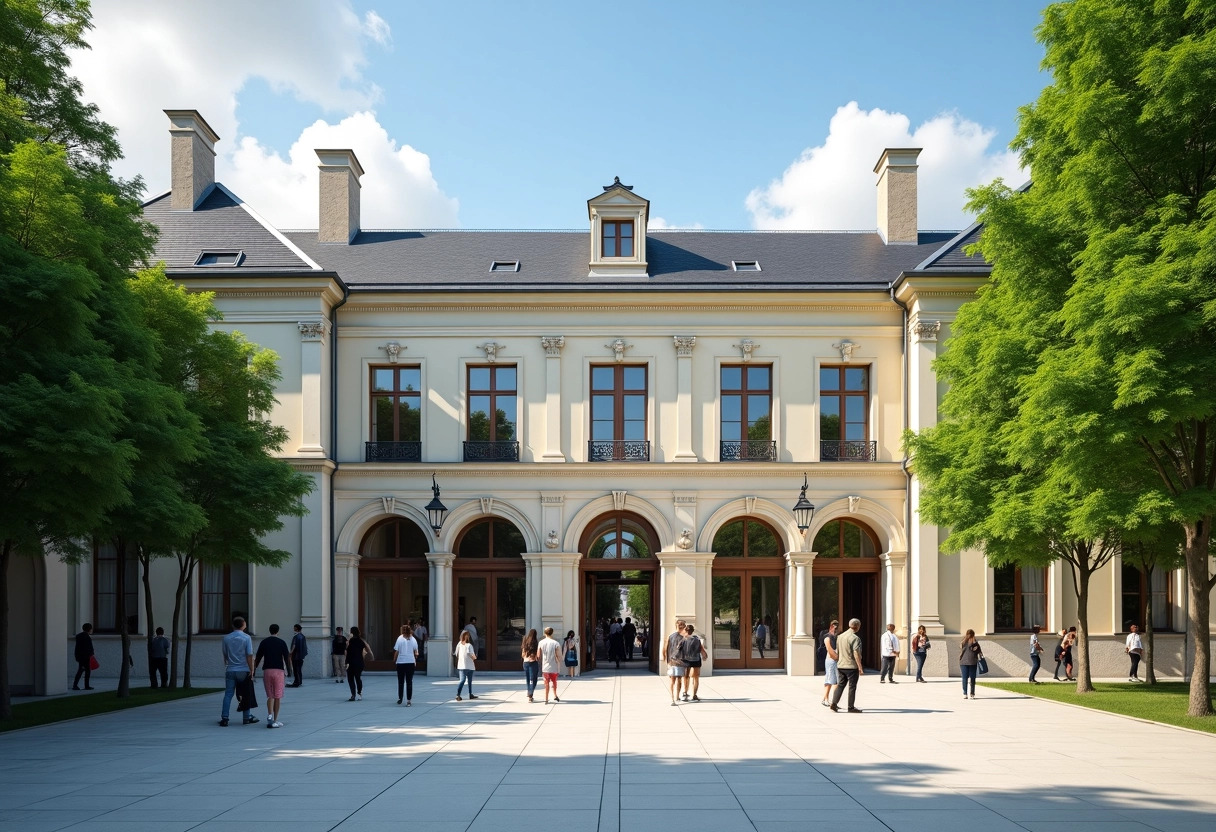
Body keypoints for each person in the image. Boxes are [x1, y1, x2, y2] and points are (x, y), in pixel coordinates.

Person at [219, 616, 258, 726]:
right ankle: (246, 717)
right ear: (243, 625)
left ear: (233, 625)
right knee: (246, 694)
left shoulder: (226, 638)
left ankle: (225, 717)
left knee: (228, 694)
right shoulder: (246, 638)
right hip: (243, 669)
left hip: (231, 669)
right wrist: (251, 670)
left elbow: (225, 654)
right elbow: (249, 655)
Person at [254, 623, 291, 728]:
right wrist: (289, 670)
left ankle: (269, 714)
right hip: (278, 671)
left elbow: (258, 657)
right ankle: (275, 719)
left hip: (267, 670)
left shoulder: (264, 642)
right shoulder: (282, 642)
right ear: (278, 631)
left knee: (270, 695)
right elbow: (287, 657)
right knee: (278, 696)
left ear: (269, 630)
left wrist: (254, 670)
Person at [829, 618, 864, 713]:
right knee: (852, 686)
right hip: (851, 666)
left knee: (840, 685)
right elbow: (856, 653)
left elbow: (838, 651)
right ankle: (851, 707)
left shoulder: (840, 636)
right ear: (857, 626)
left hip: (841, 665)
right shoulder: (855, 638)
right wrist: (860, 667)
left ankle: (834, 703)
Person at [393, 624, 419, 705]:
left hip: (401, 662)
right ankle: (408, 700)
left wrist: (394, 660)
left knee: (400, 681)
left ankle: (400, 698)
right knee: (409, 682)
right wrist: (415, 658)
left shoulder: (399, 638)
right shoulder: (413, 639)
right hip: (410, 662)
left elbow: (396, 651)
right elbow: (416, 651)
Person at [663, 619, 687, 706]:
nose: (683, 626)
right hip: (673, 661)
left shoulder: (684, 637)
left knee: (678, 680)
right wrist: (666, 659)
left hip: (679, 662)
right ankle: (673, 697)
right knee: (673, 680)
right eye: (681, 624)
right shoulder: (672, 636)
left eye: (683, 624)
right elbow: (665, 648)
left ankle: (676, 696)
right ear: (677, 625)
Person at [681, 623, 708, 702]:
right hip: (696, 660)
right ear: (693, 631)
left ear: (686, 630)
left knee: (686, 677)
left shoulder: (683, 639)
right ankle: (694, 695)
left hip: (686, 660)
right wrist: (705, 655)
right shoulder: (697, 639)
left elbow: (679, 649)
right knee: (696, 678)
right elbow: (701, 649)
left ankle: (685, 692)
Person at [345, 626, 371, 701]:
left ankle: (353, 695)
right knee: (358, 678)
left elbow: (346, 651)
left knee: (350, 679)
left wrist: (345, 662)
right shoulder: (361, 641)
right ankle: (359, 693)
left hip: (350, 662)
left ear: (351, 632)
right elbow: (367, 649)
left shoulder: (349, 641)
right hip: (359, 662)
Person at [538, 626, 563, 704]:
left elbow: (538, 655)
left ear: (544, 633)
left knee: (546, 683)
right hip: (554, 666)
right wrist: (560, 660)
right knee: (554, 681)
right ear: (552, 633)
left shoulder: (541, 642)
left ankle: (546, 698)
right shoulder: (555, 643)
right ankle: (555, 695)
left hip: (545, 666)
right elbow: (559, 655)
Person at [959, 628, 983, 699]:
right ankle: (972, 694)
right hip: (973, 662)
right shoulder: (975, 643)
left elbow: (960, 649)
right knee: (972, 678)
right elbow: (979, 651)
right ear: (973, 635)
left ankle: (965, 693)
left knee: (964, 678)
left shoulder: (963, 642)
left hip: (963, 662)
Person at [454, 630, 477, 701]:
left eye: (468, 635)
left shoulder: (468, 645)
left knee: (469, 681)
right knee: (462, 680)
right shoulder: (460, 644)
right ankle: (458, 695)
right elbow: (471, 655)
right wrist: (474, 657)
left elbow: (457, 654)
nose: (467, 636)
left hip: (468, 666)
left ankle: (470, 694)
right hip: (463, 666)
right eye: (466, 635)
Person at [821, 620, 839, 706]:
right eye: (834, 627)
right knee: (830, 681)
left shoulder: (835, 637)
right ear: (831, 627)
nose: (836, 629)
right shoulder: (827, 637)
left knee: (834, 681)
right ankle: (826, 699)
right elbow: (829, 650)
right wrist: (836, 658)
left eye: (837, 627)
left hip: (833, 660)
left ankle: (828, 700)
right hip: (831, 660)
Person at [73, 623, 95, 690]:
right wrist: (91, 654)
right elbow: (89, 648)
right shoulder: (87, 637)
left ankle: (75, 685)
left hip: (80, 657)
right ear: (89, 629)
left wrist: (77, 656)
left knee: (80, 670)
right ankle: (86, 686)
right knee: (86, 671)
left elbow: (77, 648)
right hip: (86, 657)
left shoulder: (79, 636)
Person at [521, 629, 539, 702]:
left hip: (525, 663)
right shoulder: (535, 643)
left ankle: (529, 691)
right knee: (533, 679)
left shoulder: (525, 642)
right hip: (533, 663)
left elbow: (522, 654)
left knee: (528, 679)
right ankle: (530, 694)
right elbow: (537, 655)